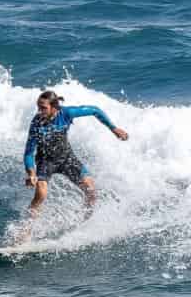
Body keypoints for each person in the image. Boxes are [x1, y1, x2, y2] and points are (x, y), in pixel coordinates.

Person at [22, 88, 127, 216]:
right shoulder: (36, 123)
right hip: (45, 161)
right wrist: (31, 173)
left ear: (54, 107)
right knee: (41, 194)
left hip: (66, 157)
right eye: (38, 107)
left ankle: (86, 218)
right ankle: (27, 225)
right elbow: (29, 152)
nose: (39, 111)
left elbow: (95, 110)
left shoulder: (67, 113)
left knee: (90, 190)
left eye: (43, 108)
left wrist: (114, 129)